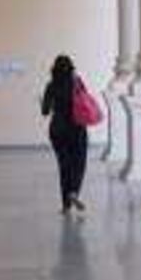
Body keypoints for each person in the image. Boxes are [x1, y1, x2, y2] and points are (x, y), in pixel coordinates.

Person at [41, 55, 88, 214]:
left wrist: (45, 102)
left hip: (57, 130)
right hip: (77, 128)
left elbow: (45, 111)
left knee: (64, 166)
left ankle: (66, 205)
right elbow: (85, 100)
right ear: (71, 68)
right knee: (79, 163)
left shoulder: (51, 86)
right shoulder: (77, 82)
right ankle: (74, 191)